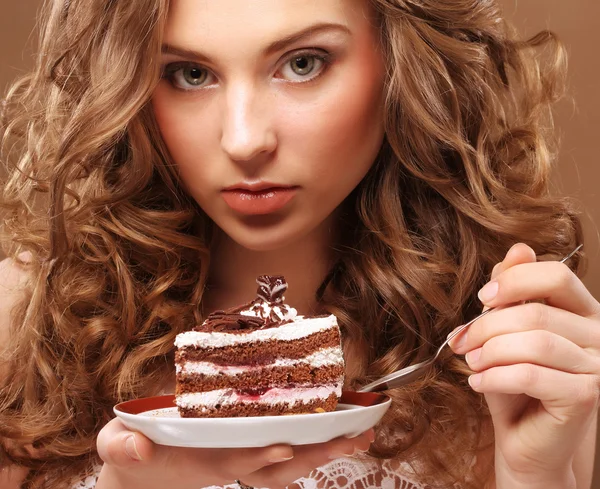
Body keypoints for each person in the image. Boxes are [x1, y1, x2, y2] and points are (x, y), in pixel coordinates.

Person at [0, 0, 598, 488]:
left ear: (401, 62)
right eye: (190, 74)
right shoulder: (23, 323)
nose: (244, 140)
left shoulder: (505, 359)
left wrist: (537, 476)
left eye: (304, 63)